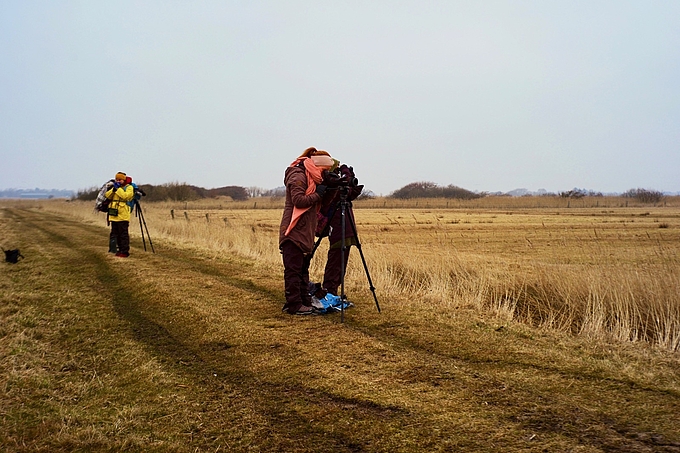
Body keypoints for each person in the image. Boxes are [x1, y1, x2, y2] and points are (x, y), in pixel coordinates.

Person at [279, 147, 335, 315]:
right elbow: (299, 200)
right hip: (293, 231)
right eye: (325, 171)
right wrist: (318, 193)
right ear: (318, 166)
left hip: (305, 230)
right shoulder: (298, 175)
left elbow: (322, 206)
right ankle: (294, 305)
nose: (325, 174)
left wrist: (330, 189)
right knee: (294, 269)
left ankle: (304, 302)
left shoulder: (312, 177)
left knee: (302, 270)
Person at [320, 164, 364, 298]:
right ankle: (329, 291)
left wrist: (350, 177)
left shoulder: (337, 184)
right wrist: (345, 176)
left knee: (341, 261)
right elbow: (339, 193)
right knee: (335, 260)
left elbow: (351, 193)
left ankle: (332, 290)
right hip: (338, 227)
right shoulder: (329, 183)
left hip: (346, 227)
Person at [106, 171, 135, 258]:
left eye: (120, 180)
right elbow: (107, 196)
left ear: (124, 180)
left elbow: (126, 196)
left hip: (123, 215)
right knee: (116, 233)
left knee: (123, 234)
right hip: (114, 214)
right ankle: (118, 249)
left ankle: (125, 251)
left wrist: (118, 189)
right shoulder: (115, 188)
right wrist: (113, 190)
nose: (118, 181)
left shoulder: (129, 187)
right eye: (116, 179)